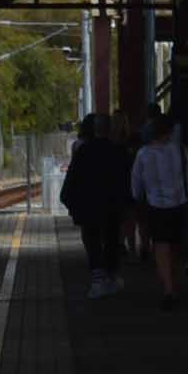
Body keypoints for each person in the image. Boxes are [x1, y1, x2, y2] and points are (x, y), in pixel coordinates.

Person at [131, 106, 188, 306]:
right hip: (179, 204)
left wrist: (138, 198)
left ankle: (168, 288)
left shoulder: (142, 154)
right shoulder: (181, 151)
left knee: (161, 246)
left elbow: (136, 184)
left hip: (156, 206)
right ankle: (173, 280)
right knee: (175, 245)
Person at [61, 109, 129, 297]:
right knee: (112, 240)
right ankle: (112, 276)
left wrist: (71, 204)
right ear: (110, 129)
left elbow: (71, 182)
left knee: (92, 241)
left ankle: (98, 279)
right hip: (113, 207)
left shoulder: (84, 152)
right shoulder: (118, 152)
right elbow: (127, 181)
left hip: (89, 208)